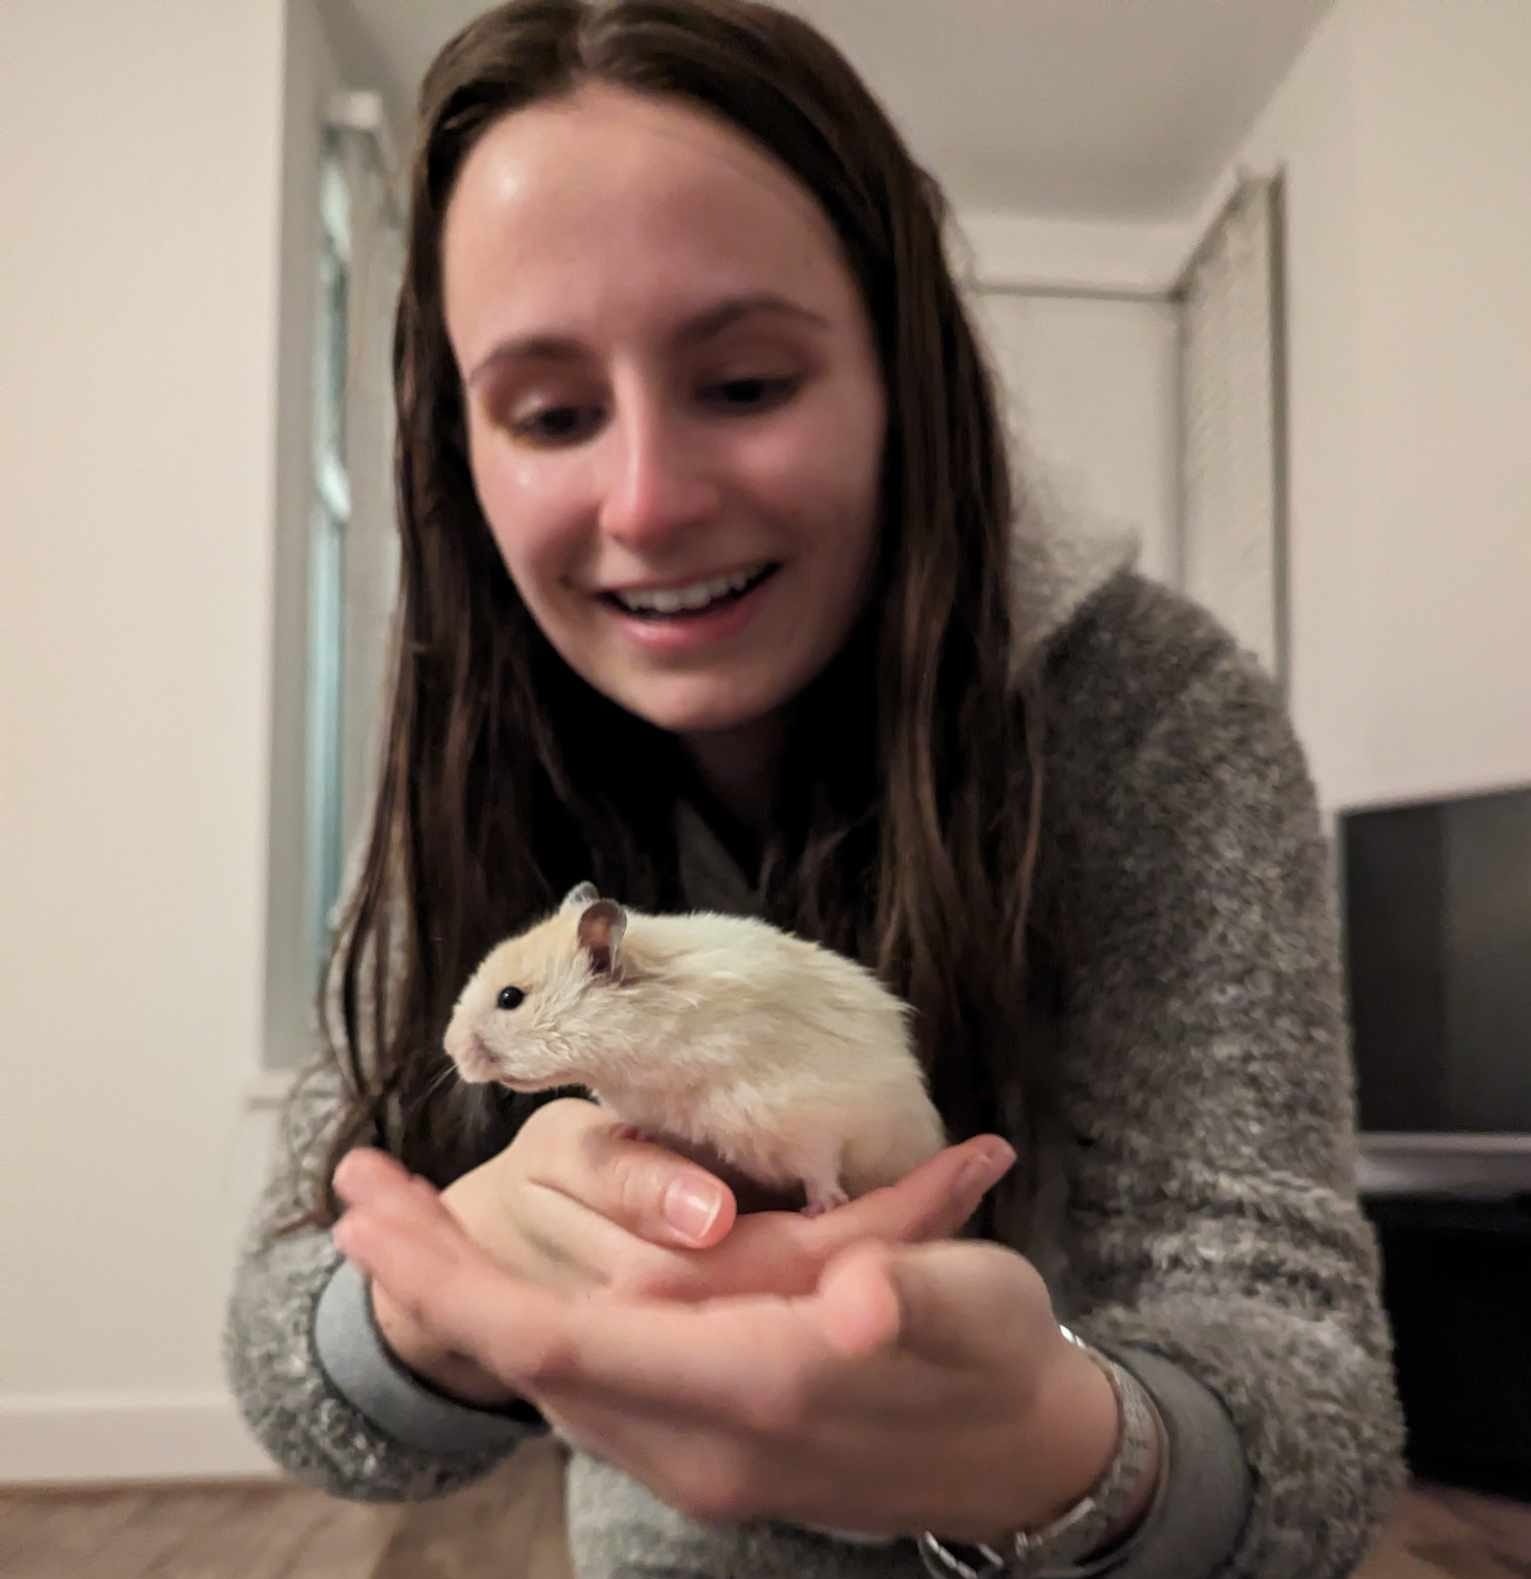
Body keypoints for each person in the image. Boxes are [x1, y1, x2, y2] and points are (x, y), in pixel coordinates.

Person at [224, 1, 1408, 1575]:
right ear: (462, 446)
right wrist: (435, 1302)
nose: (648, 504)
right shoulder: (467, 727)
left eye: (744, 384)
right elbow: (284, 1342)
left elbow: (1307, 1377)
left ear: (899, 373)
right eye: (554, 414)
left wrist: (1070, 1451)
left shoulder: (1154, 714)